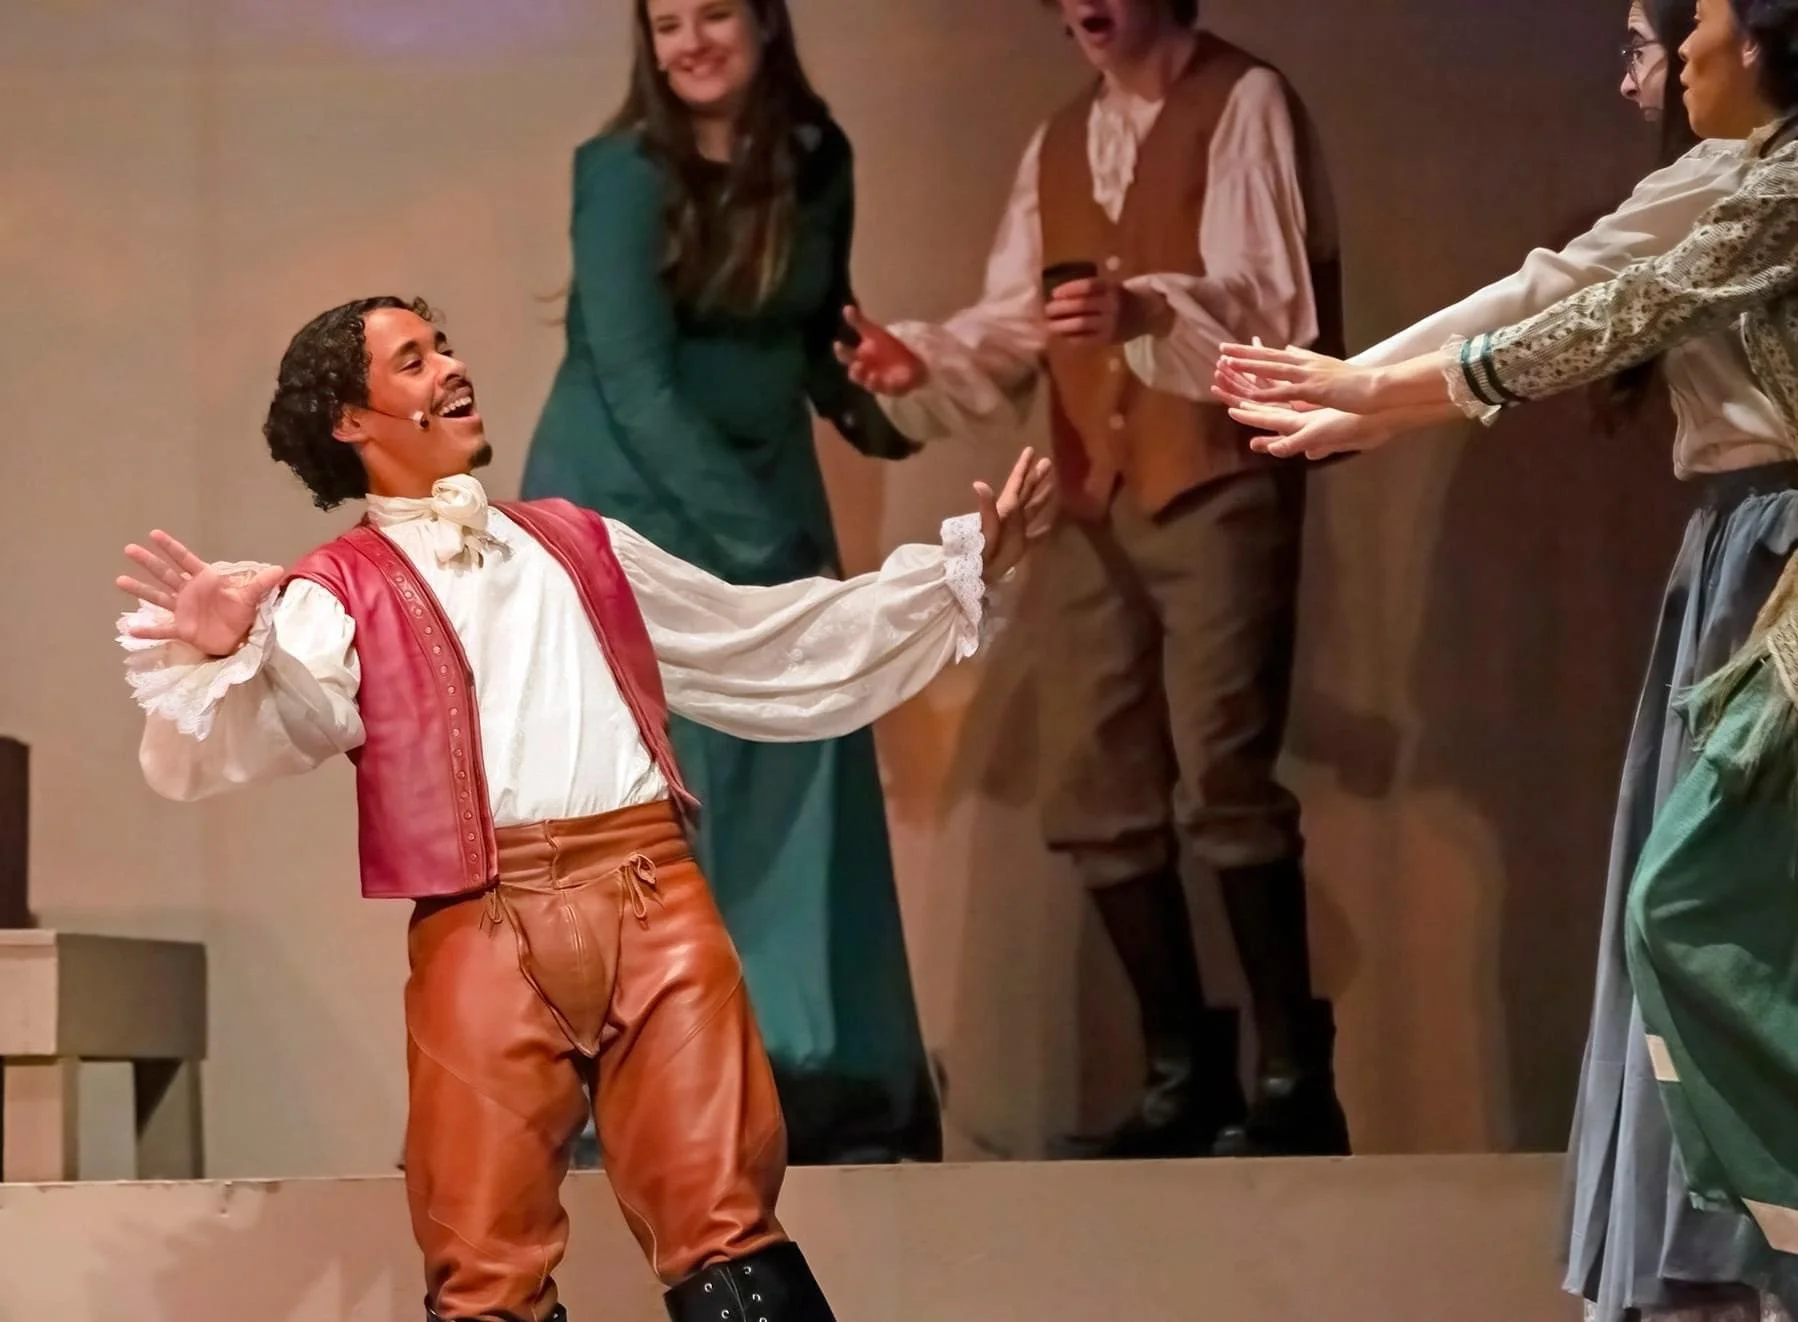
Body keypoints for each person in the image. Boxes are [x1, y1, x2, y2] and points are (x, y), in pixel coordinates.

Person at [113, 296, 1053, 1322]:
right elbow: (240, 739)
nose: (451, 367)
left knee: (728, 1232)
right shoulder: (332, 591)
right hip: (481, 920)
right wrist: (214, 650)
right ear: (350, 417)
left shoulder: (576, 541)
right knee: (483, 1268)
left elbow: (759, 638)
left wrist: (954, 578)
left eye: (444, 346)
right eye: (413, 360)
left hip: (653, 900)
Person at [1217, 0, 1798, 1314]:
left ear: (1761, 35)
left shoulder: (1773, 181)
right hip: (1739, 555)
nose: (1653, 65)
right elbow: (1569, 293)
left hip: (1779, 557)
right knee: (1706, 909)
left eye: (1679, 25)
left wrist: (1373, 392)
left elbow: (1596, 311)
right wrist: (1367, 388)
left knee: (1705, 905)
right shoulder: (1729, 176)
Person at [837, 0, 1347, 1160]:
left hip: (1210, 475)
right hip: (1091, 494)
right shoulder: (1060, 139)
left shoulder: (1242, 100)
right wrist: (926, 357)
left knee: (1222, 764)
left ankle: (1289, 1073)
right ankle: (1182, 1072)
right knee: (1097, 779)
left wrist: (1148, 308)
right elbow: (1022, 315)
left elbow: (1276, 307)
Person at [520, 0, 942, 1167]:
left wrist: (887, 398)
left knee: (802, 762)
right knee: (664, 794)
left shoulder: (817, 157)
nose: (689, 42)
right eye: (664, 24)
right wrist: (751, 544)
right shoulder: (618, 172)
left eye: (712, 14)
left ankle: (807, 1066)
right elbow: (633, 376)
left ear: (764, 24)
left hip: (766, 496)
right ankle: (652, 1085)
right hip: (633, 511)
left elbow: (814, 342)